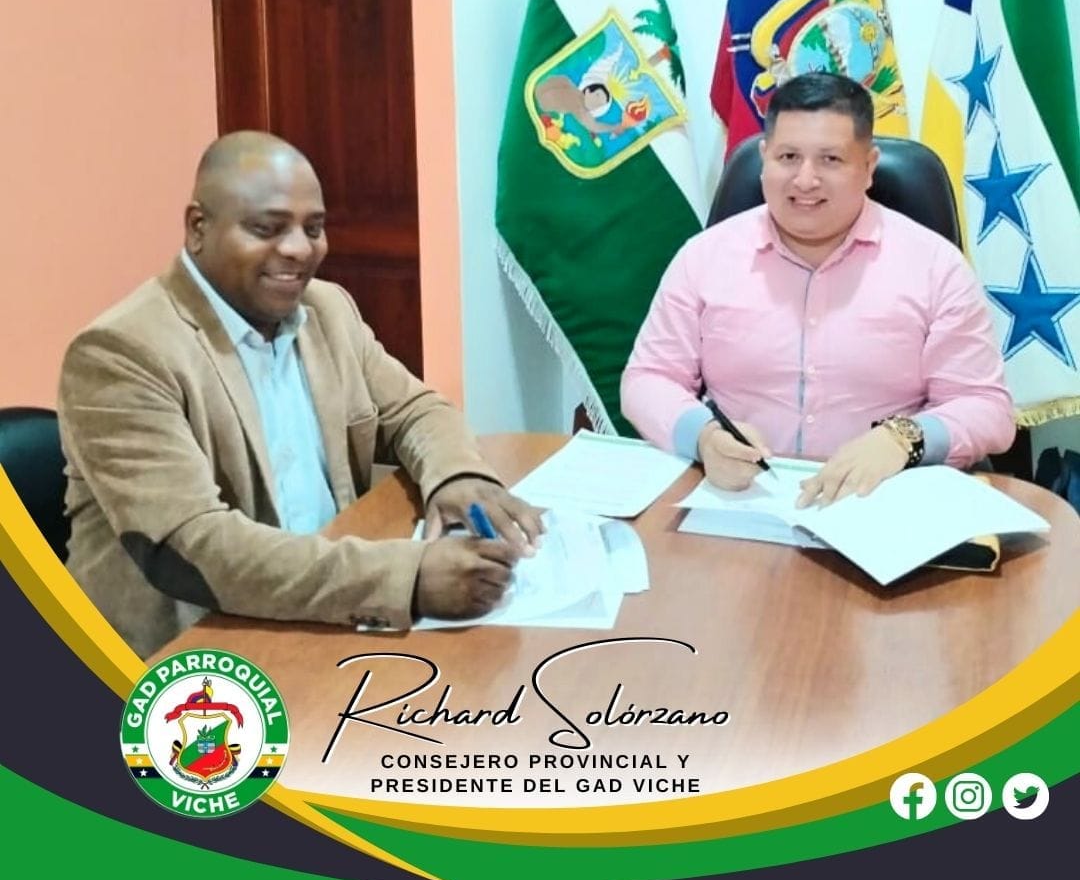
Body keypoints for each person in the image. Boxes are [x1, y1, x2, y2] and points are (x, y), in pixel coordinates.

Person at [58, 131, 542, 658]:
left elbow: (413, 409)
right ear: (198, 228)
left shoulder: (327, 309)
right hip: (188, 657)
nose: (299, 249)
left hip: (321, 616)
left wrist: (457, 476)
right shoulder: (121, 353)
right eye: (266, 228)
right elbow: (194, 548)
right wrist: (407, 578)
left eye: (313, 228)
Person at [621, 72, 1015, 508]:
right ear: (764, 157)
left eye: (830, 159)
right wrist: (704, 437)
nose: (805, 180)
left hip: (879, 503)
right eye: (788, 157)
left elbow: (985, 406)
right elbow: (648, 378)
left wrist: (903, 438)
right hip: (741, 501)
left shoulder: (936, 267)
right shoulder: (704, 258)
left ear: (868, 167)